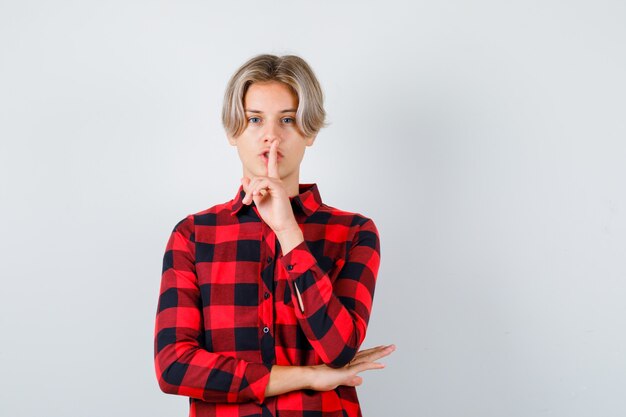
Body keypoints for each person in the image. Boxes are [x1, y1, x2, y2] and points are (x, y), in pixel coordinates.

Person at [154, 53, 395, 417]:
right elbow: (173, 367)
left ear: (309, 131)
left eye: (287, 119)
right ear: (233, 132)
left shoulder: (354, 233)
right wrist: (307, 377)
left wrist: (288, 231)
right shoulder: (193, 235)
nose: (271, 135)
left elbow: (339, 349)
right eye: (254, 119)